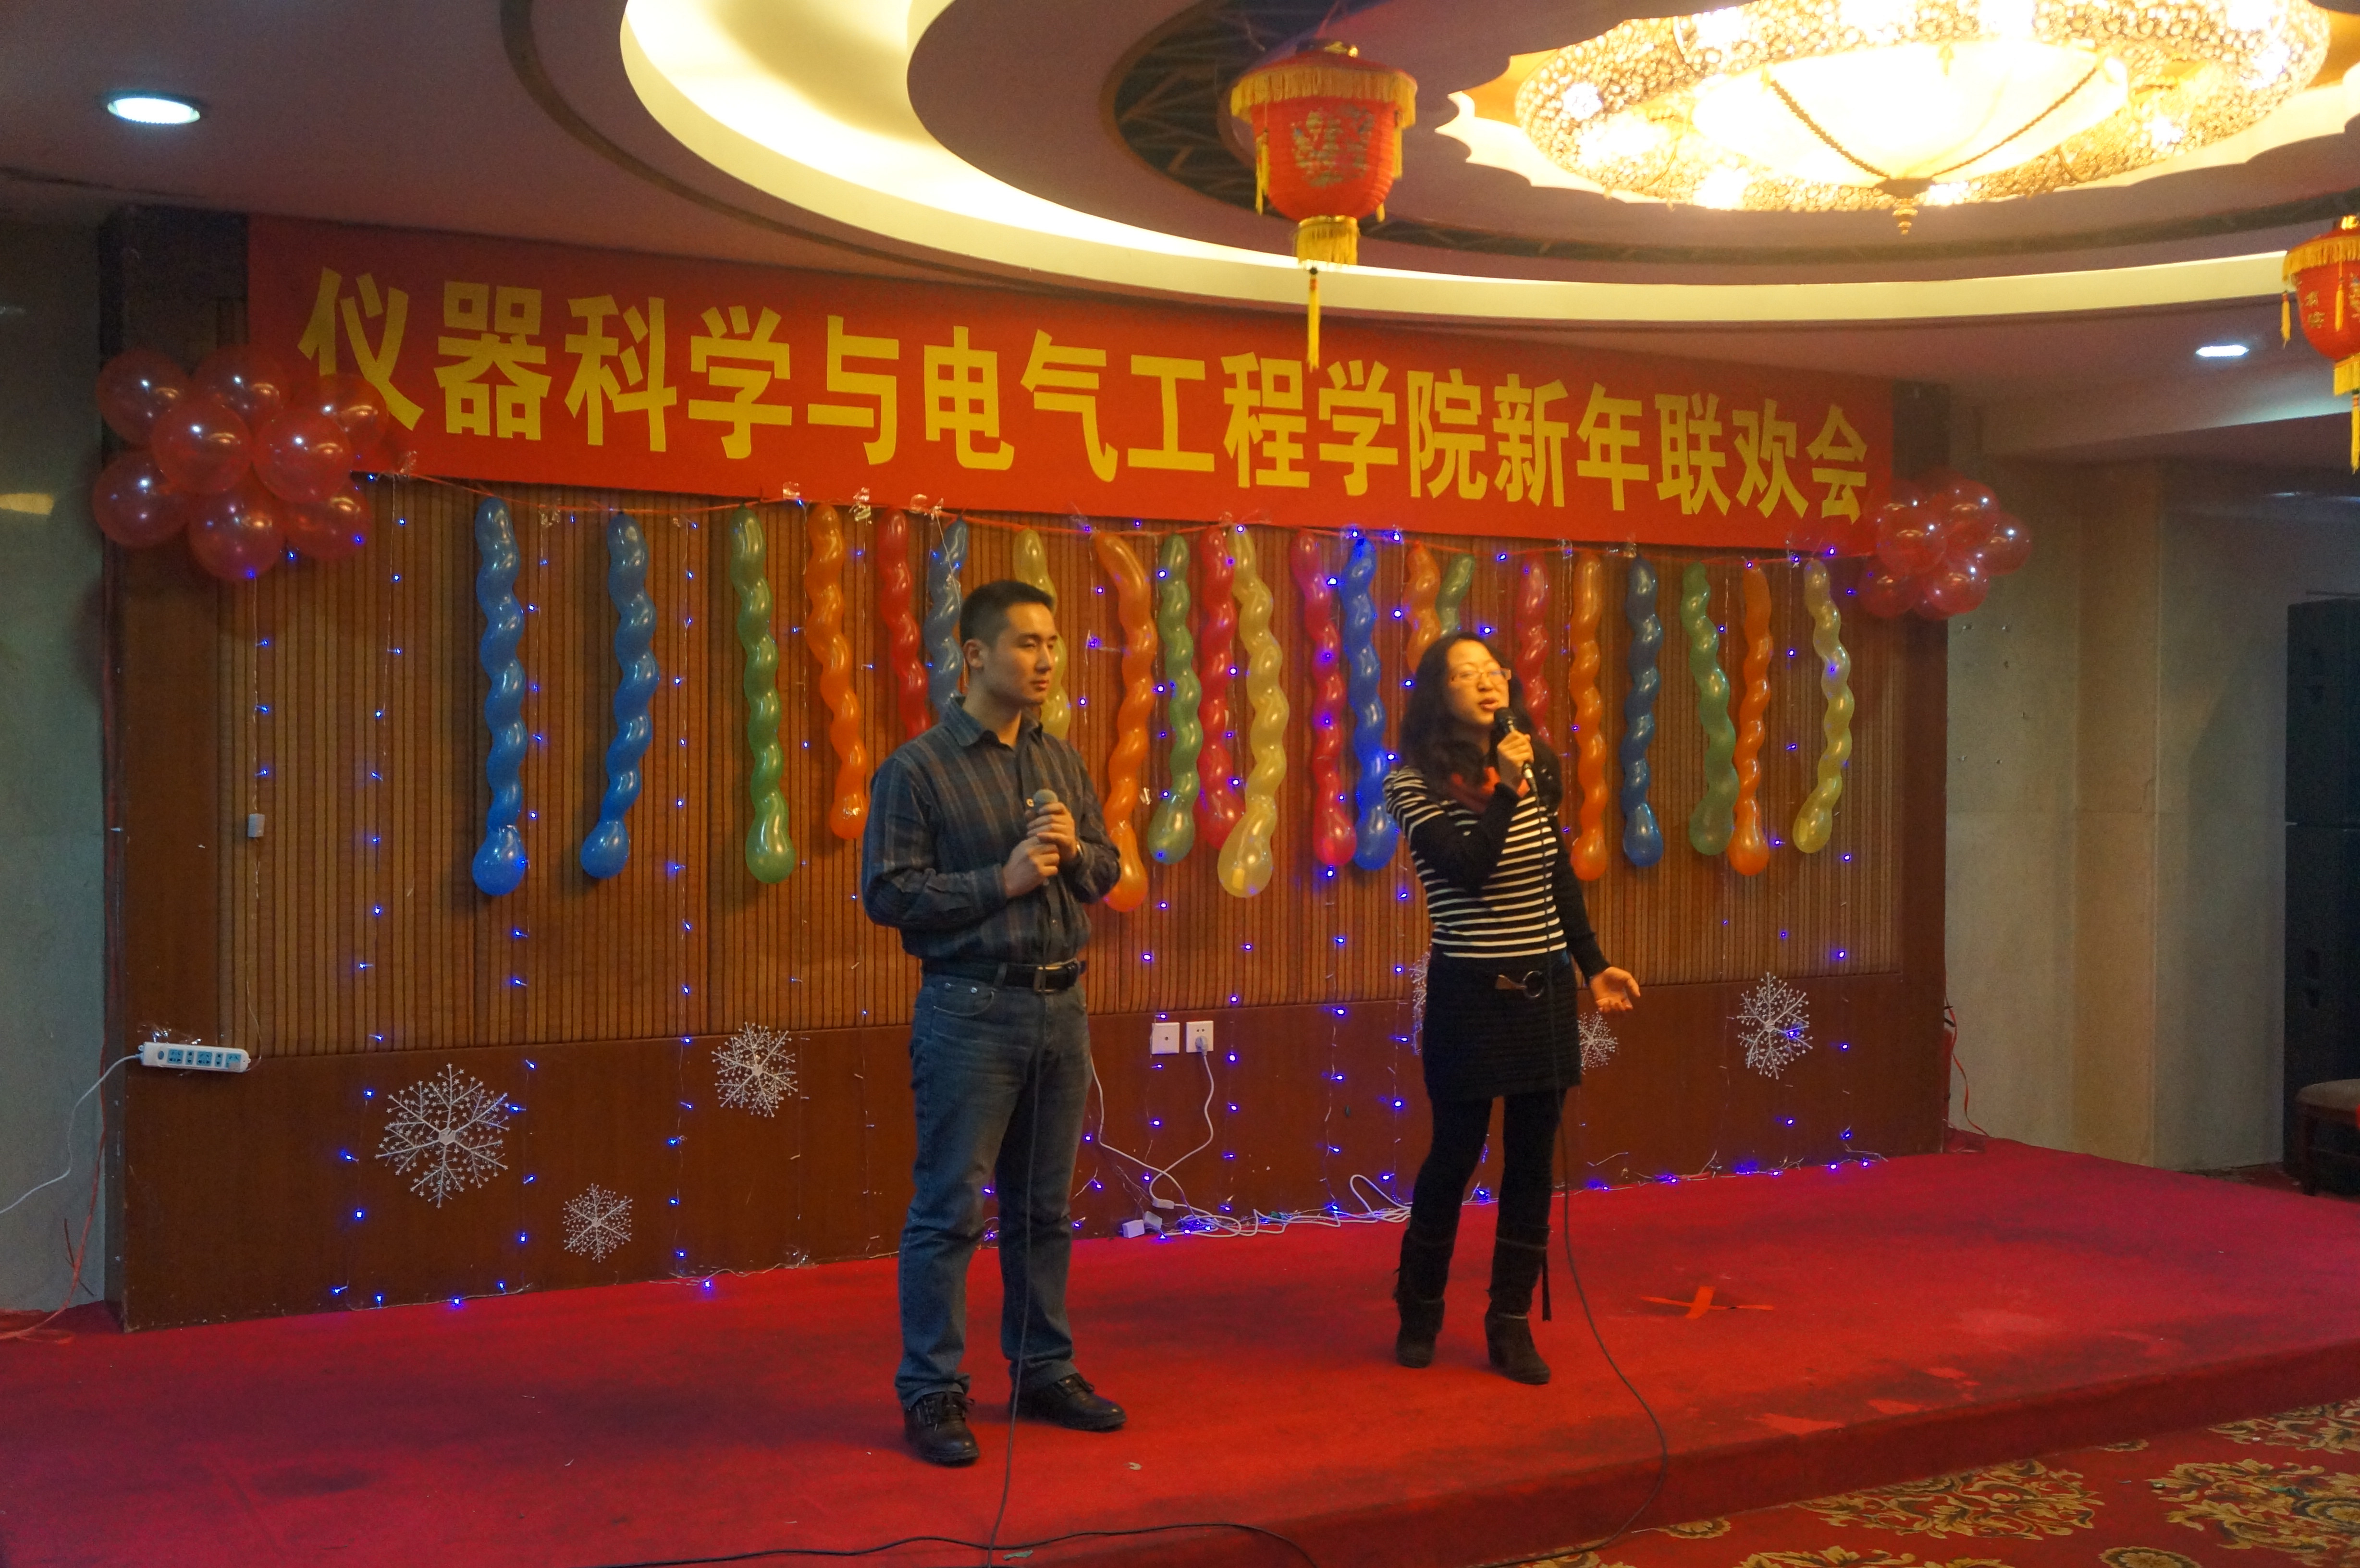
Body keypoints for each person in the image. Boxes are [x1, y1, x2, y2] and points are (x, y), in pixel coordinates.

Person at [860, 578, 1129, 1467]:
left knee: (1043, 1210)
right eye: (1027, 643)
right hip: (970, 1009)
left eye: (1053, 643)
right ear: (975, 655)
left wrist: (1075, 849)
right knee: (950, 1211)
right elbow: (889, 894)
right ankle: (932, 1390)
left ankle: (1044, 1369)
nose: (1048, 660)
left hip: (1063, 1007)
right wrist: (1000, 881)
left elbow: (1104, 873)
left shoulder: (1061, 761)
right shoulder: (917, 770)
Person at [1381, 632, 1642, 1384]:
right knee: (1454, 1157)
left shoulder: (1538, 763)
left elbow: (1554, 870)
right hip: (1469, 994)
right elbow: (1469, 869)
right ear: (1439, 694)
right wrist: (1506, 784)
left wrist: (1593, 964)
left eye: (1492, 670)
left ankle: (1510, 1321)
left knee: (1532, 1163)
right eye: (1465, 674)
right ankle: (1420, 1309)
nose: (1486, 682)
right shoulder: (1412, 782)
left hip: (1544, 991)